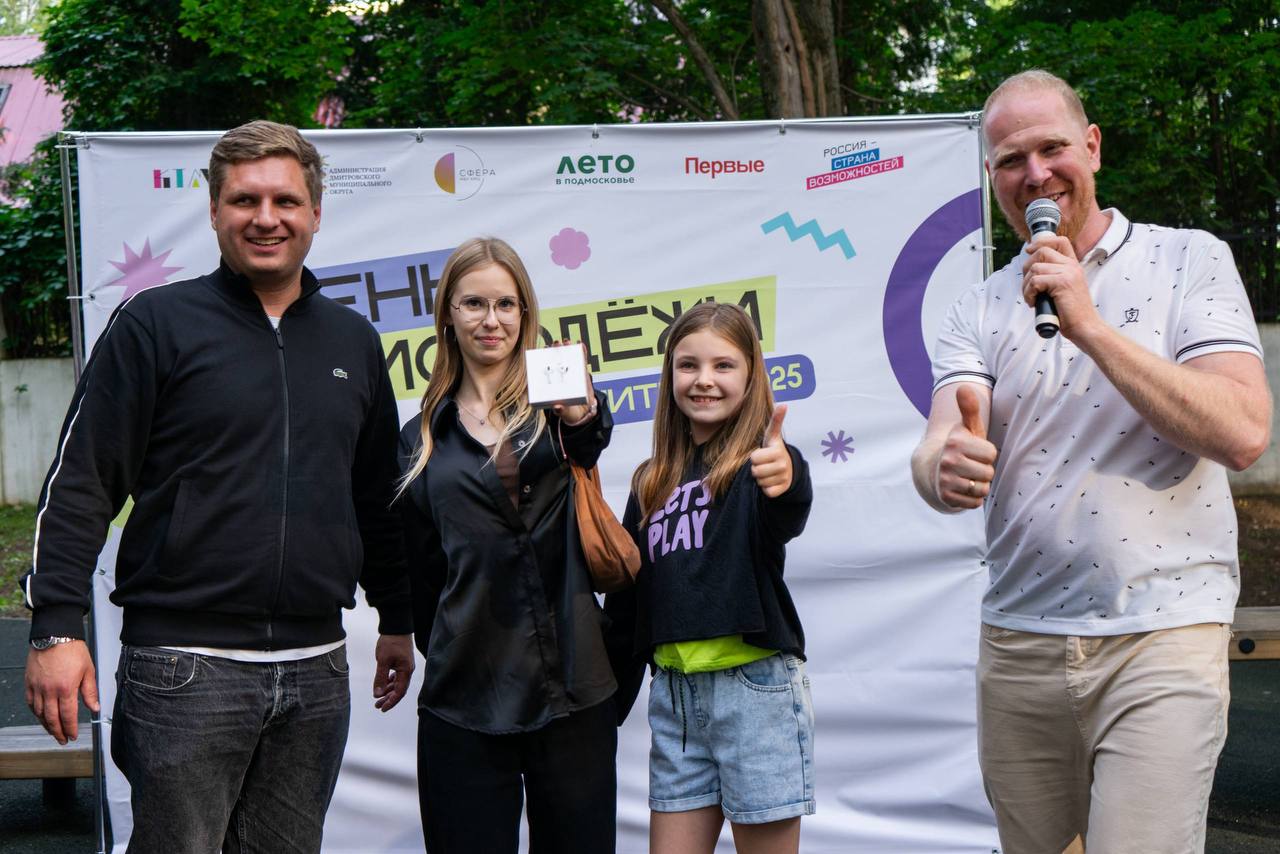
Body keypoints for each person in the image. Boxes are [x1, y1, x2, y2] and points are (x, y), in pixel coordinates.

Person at [21, 120, 415, 853]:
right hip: (183, 669)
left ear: (315, 212)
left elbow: (376, 496)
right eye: (244, 200)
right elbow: (82, 482)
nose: (266, 218)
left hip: (316, 671)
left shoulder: (352, 340)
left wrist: (398, 615)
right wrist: (56, 627)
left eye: (285, 201)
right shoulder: (155, 324)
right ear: (213, 211)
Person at [911, 70, 1271, 853]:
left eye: (1052, 149)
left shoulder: (1189, 260)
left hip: (1162, 632)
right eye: (1012, 160)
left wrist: (1090, 327)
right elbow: (940, 442)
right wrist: (941, 467)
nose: (1035, 174)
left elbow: (1243, 432)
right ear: (992, 176)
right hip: (1018, 640)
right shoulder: (976, 306)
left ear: (1094, 147)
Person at [396, 237, 617, 854]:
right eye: (474, 303)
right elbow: (421, 568)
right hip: (465, 693)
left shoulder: (558, 404)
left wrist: (580, 415)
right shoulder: (419, 437)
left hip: (572, 686)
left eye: (505, 304)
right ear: (448, 314)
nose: (490, 320)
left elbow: (590, 442)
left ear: (524, 313)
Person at [605, 302, 815, 854]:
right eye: (688, 365)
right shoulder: (650, 481)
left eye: (723, 365)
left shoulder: (762, 463)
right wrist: (604, 711)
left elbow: (788, 510)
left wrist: (788, 476)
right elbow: (628, 605)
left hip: (755, 694)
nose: (704, 379)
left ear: (751, 376)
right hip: (674, 701)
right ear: (669, 374)